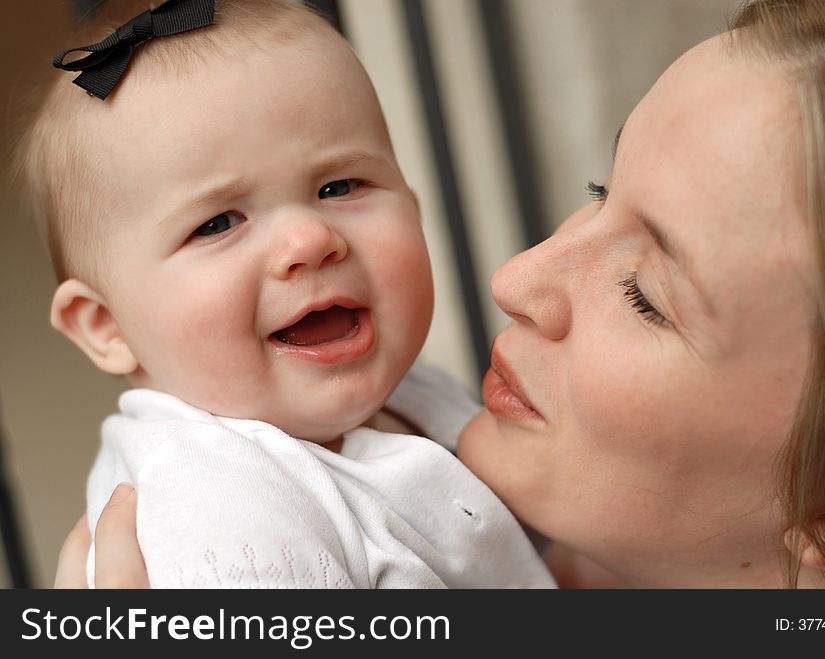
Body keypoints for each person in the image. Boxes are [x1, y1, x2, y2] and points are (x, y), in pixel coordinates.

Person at [57, 0, 825, 589]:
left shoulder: (402, 407)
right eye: (600, 189)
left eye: (645, 295)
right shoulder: (214, 512)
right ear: (101, 324)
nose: (514, 277)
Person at [16, 0, 554, 588]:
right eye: (219, 223)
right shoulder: (217, 504)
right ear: (107, 326)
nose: (310, 239)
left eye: (339, 185)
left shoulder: (414, 394)